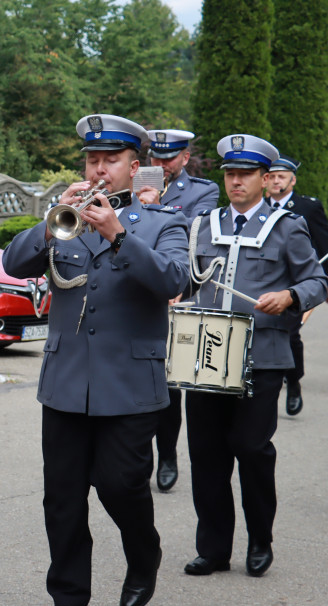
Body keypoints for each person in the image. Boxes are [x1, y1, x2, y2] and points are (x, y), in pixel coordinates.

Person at [2, 114, 190, 606]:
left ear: (136, 166)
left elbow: (174, 279)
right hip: (66, 380)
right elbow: (13, 264)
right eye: (92, 159)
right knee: (61, 496)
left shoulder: (163, 223)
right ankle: (69, 600)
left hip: (129, 383)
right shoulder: (69, 217)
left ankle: (144, 550)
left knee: (121, 484)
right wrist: (51, 219)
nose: (99, 169)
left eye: (110, 160)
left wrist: (119, 234)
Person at [183, 135, 327, 579]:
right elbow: (188, 281)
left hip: (261, 355)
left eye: (245, 174)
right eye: (229, 173)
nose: (236, 181)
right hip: (207, 354)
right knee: (206, 454)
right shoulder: (204, 224)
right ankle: (213, 548)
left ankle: (260, 538)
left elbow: (318, 281)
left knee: (250, 448)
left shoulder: (286, 227)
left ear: (265, 180)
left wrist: (289, 296)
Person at [138, 129, 220, 492]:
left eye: (169, 158)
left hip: (179, 295)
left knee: (170, 385)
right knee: (138, 379)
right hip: (137, 292)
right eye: (156, 158)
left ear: (185, 158)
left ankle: (167, 452)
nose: (161, 165)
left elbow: (194, 240)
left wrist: (151, 205)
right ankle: (139, 455)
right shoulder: (135, 182)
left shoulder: (203, 192)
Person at [264, 155, 328, 415]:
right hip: (262, 279)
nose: (277, 180)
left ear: (293, 180)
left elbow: (324, 248)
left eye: (283, 176)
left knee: (290, 334)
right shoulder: (256, 206)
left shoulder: (307, 207)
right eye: (273, 176)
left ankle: (293, 381)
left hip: (294, 283)